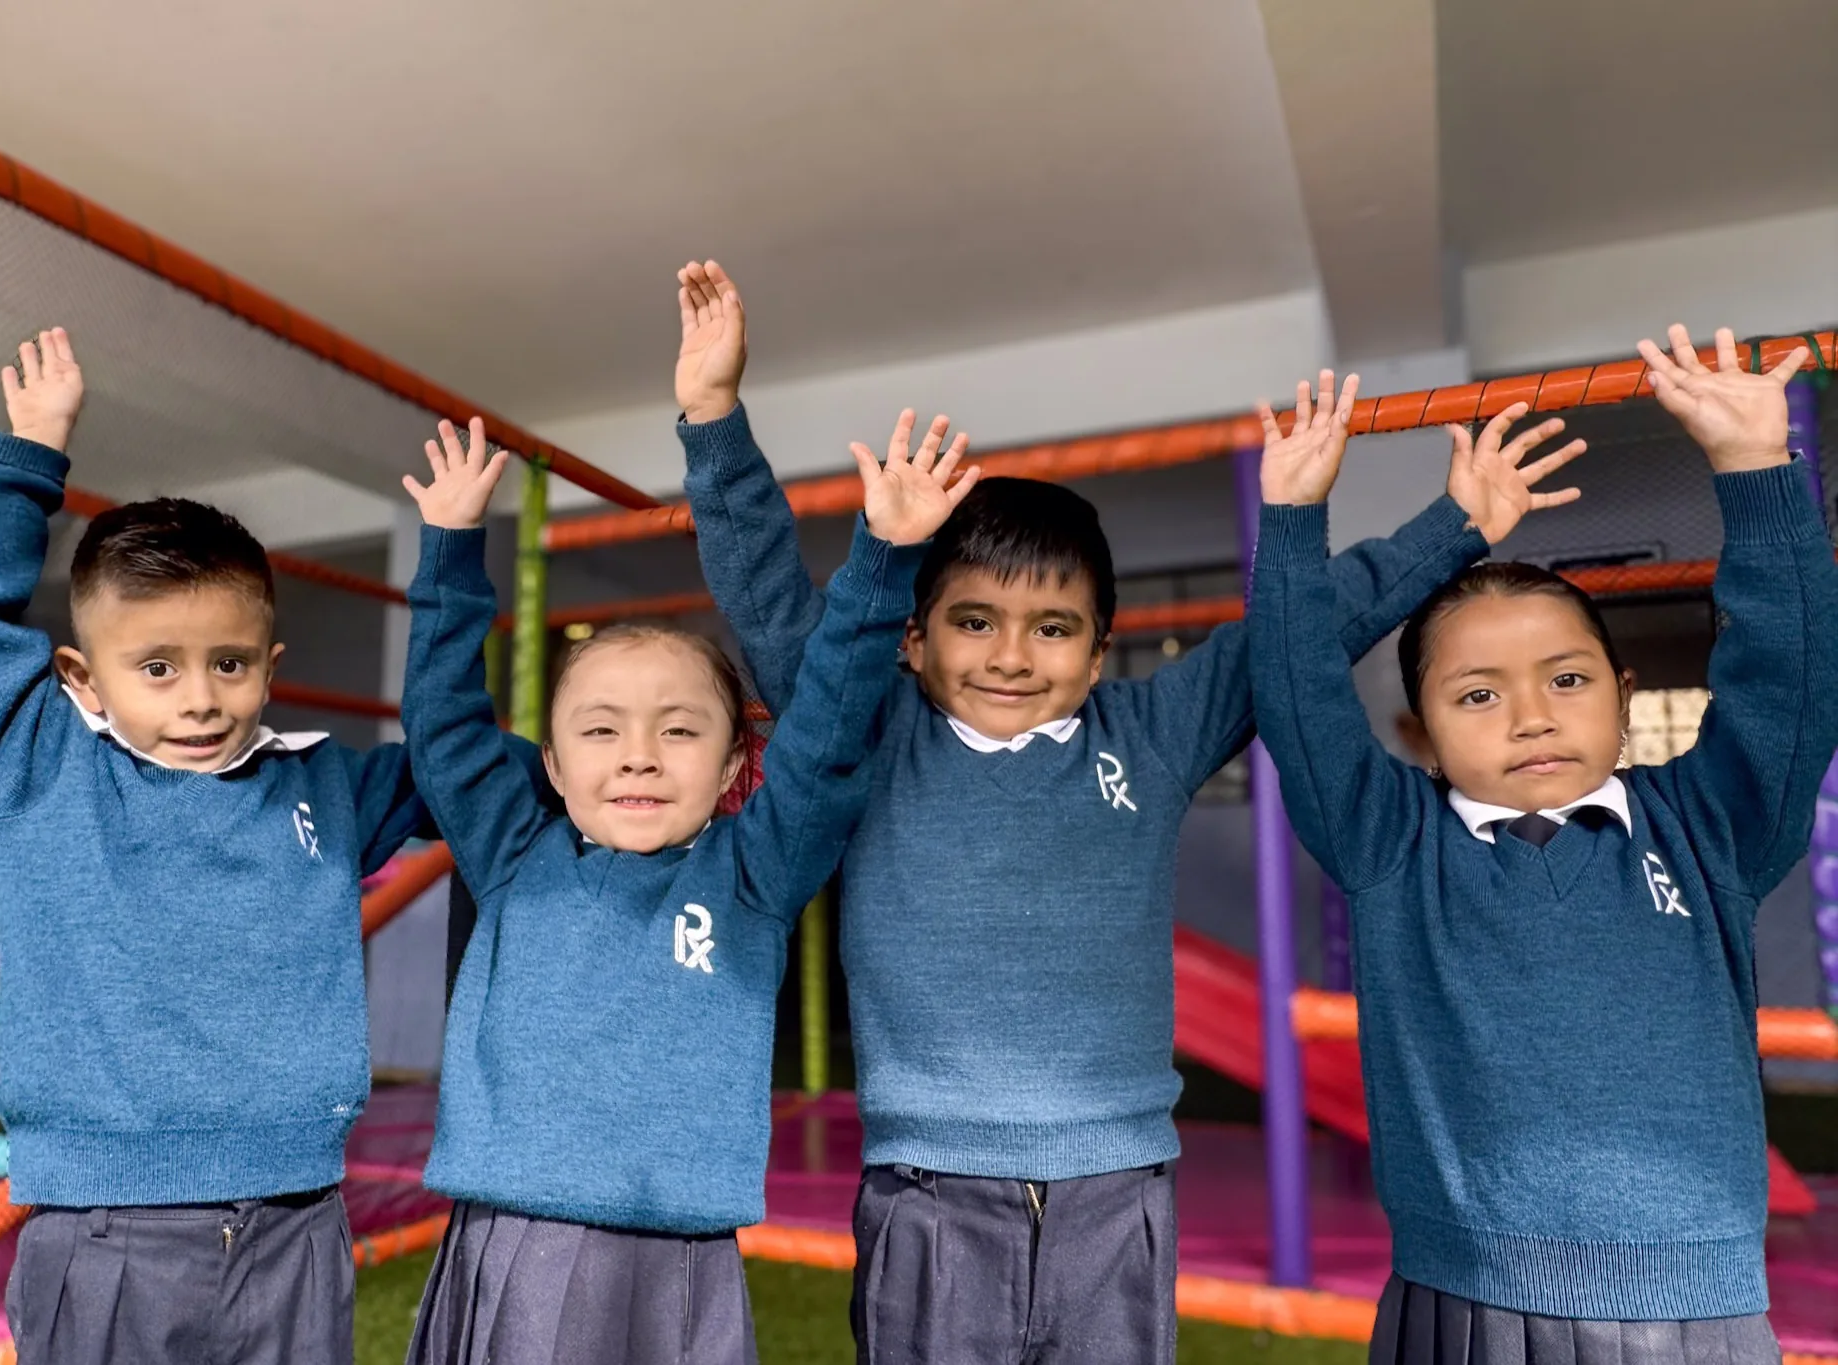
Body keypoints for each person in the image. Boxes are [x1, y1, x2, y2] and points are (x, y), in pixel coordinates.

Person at [667, 260, 1586, 1363]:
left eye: (1052, 628)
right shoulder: (865, 732)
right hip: (926, 1188)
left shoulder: (1148, 737)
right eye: (973, 621)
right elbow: (769, 593)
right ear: (911, 641)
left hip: (1119, 1190)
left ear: (1100, 651)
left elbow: (1292, 638)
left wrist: (1454, 523)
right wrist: (713, 417)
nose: (1012, 655)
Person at [1247, 325, 1833, 1365]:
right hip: (1459, 1299)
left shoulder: (1708, 828)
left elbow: (1786, 675)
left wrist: (1753, 470)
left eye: (1565, 679)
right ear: (1416, 733)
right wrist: (1290, 520)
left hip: (1695, 1308)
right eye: (1477, 694)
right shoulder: (1391, 843)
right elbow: (1291, 689)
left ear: (1623, 696)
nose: (1529, 715)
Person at [395, 408, 974, 1365]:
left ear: (733, 760)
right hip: (514, 1245)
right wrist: (452, 546)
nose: (638, 757)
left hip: (685, 1266)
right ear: (551, 761)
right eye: (600, 729)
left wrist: (886, 555)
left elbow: (830, 727)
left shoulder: (753, 874)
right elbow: (445, 725)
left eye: (677, 729)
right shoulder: (511, 854)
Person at [0, 328, 435, 1365]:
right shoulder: (41, 768)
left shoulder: (324, 785)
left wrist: (621, 751)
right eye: (156, 667)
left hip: (295, 1218)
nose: (199, 696)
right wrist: (25, 460)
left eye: (228, 662)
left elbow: (467, 776)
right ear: (81, 676)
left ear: (270, 666)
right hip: (105, 1233)